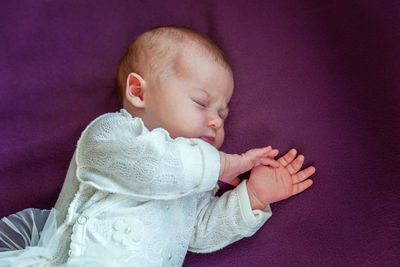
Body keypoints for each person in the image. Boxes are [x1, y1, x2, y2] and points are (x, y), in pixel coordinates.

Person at [0, 25, 315, 266]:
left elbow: (200, 233)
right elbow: (151, 166)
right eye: (201, 102)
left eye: (223, 113)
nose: (217, 121)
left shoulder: (196, 182)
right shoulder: (110, 134)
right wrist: (223, 164)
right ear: (138, 92)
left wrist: (252, 197)